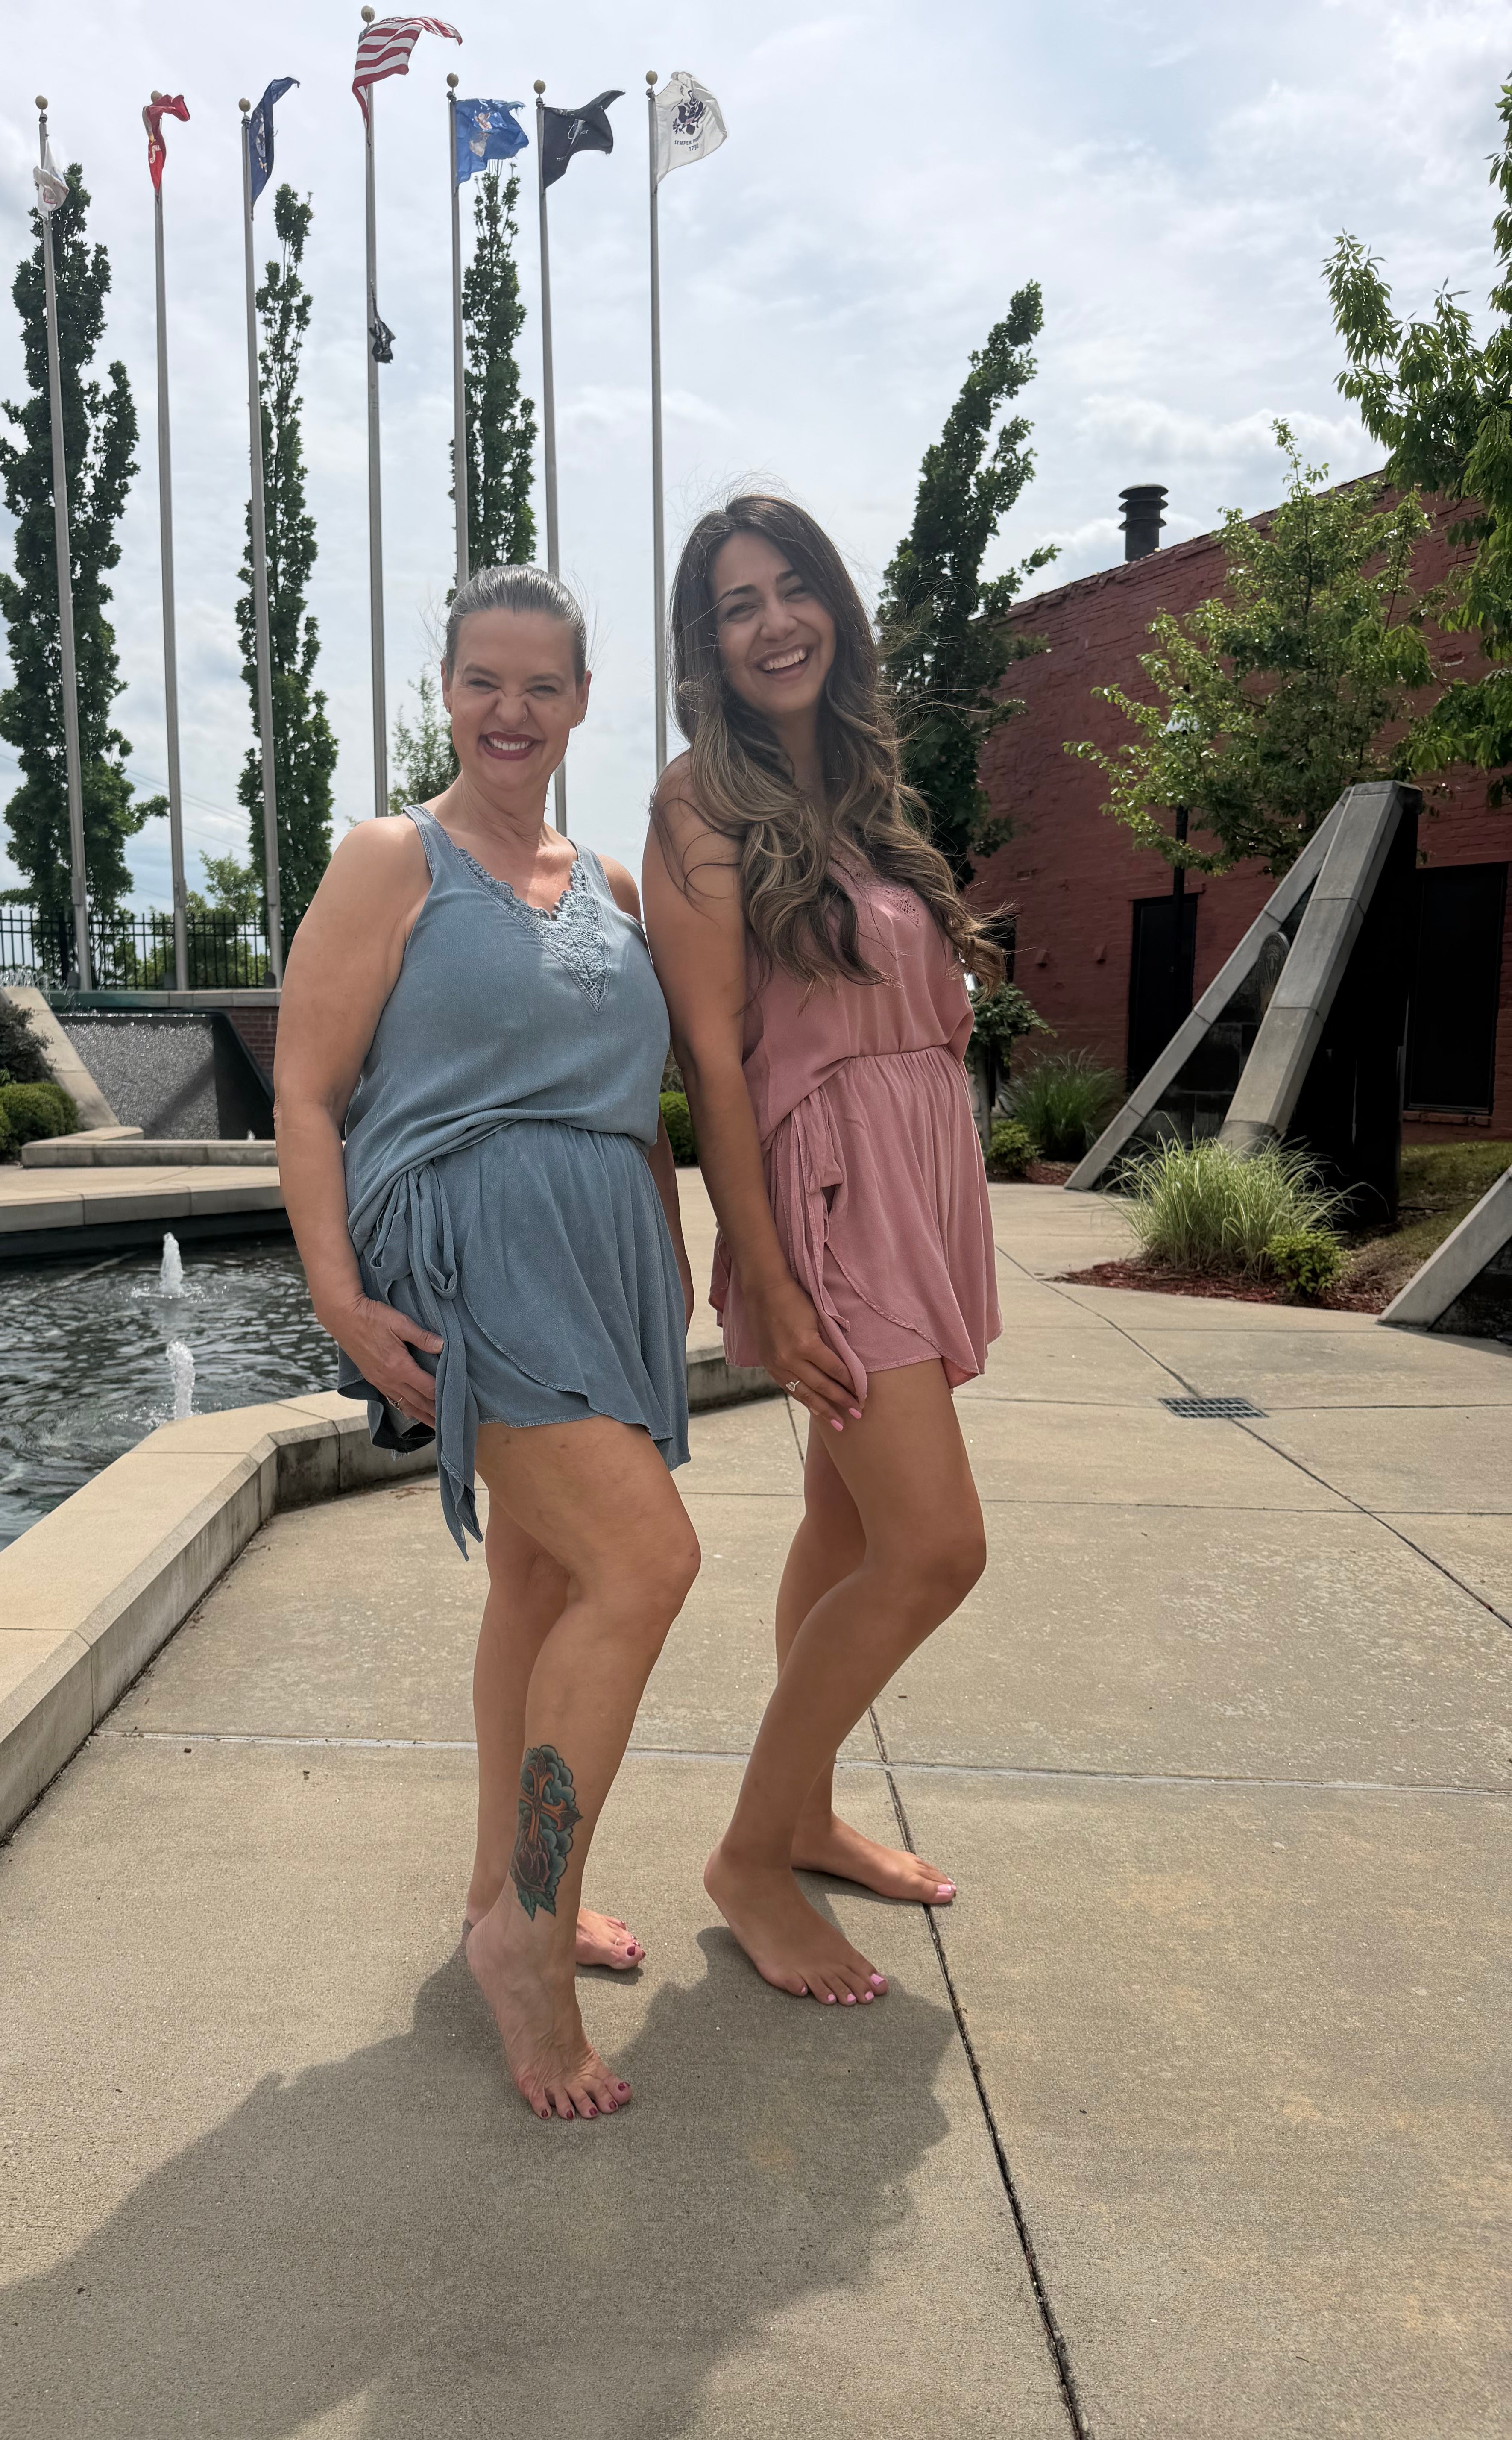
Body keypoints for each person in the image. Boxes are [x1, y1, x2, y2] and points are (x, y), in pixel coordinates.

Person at [275, 565, 697, 2119]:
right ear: (444, 692)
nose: (510, 713)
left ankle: (505, 1890)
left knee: (546, 1577)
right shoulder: (397, 857)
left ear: (584, 701)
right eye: (483, 683)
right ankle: (527, 1937)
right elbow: (308, 1091)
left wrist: (670, 1252)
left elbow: (639, 1108)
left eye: (543, 686)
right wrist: (333, 1289)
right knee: (645, 1566)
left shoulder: (610, 888)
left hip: (603, 1267)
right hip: (461, 1251)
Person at [644, 494, 1001, 2008]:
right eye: (738, 604)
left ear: (835, 613)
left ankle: (800, 1816)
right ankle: (743, 1853)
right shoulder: (696, 809)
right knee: (933, 1548)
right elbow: (716, 1066)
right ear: (705, 645)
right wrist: (767, 1278)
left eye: (794, 592)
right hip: (831, 1203)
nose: (774, 622)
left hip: (918, 1181)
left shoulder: (862, 794)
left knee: (844, 1531)